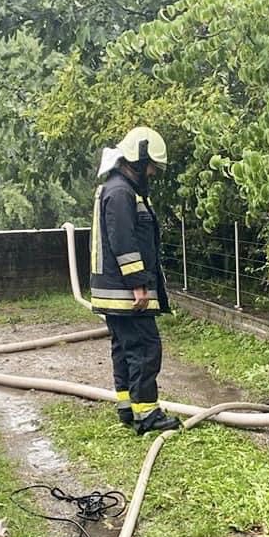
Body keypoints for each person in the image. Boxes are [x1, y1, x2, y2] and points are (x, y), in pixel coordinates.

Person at [90, 126, 180, 434]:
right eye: (151, 166)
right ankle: (147, 415)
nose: (153, 173)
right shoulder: (121, 192)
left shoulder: (120, 188)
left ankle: (128, 408)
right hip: (126, 292)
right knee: (144, 348)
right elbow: (124, 242)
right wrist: (138, 284)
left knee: (127, 349)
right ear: (138, 161)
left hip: (116, 291)